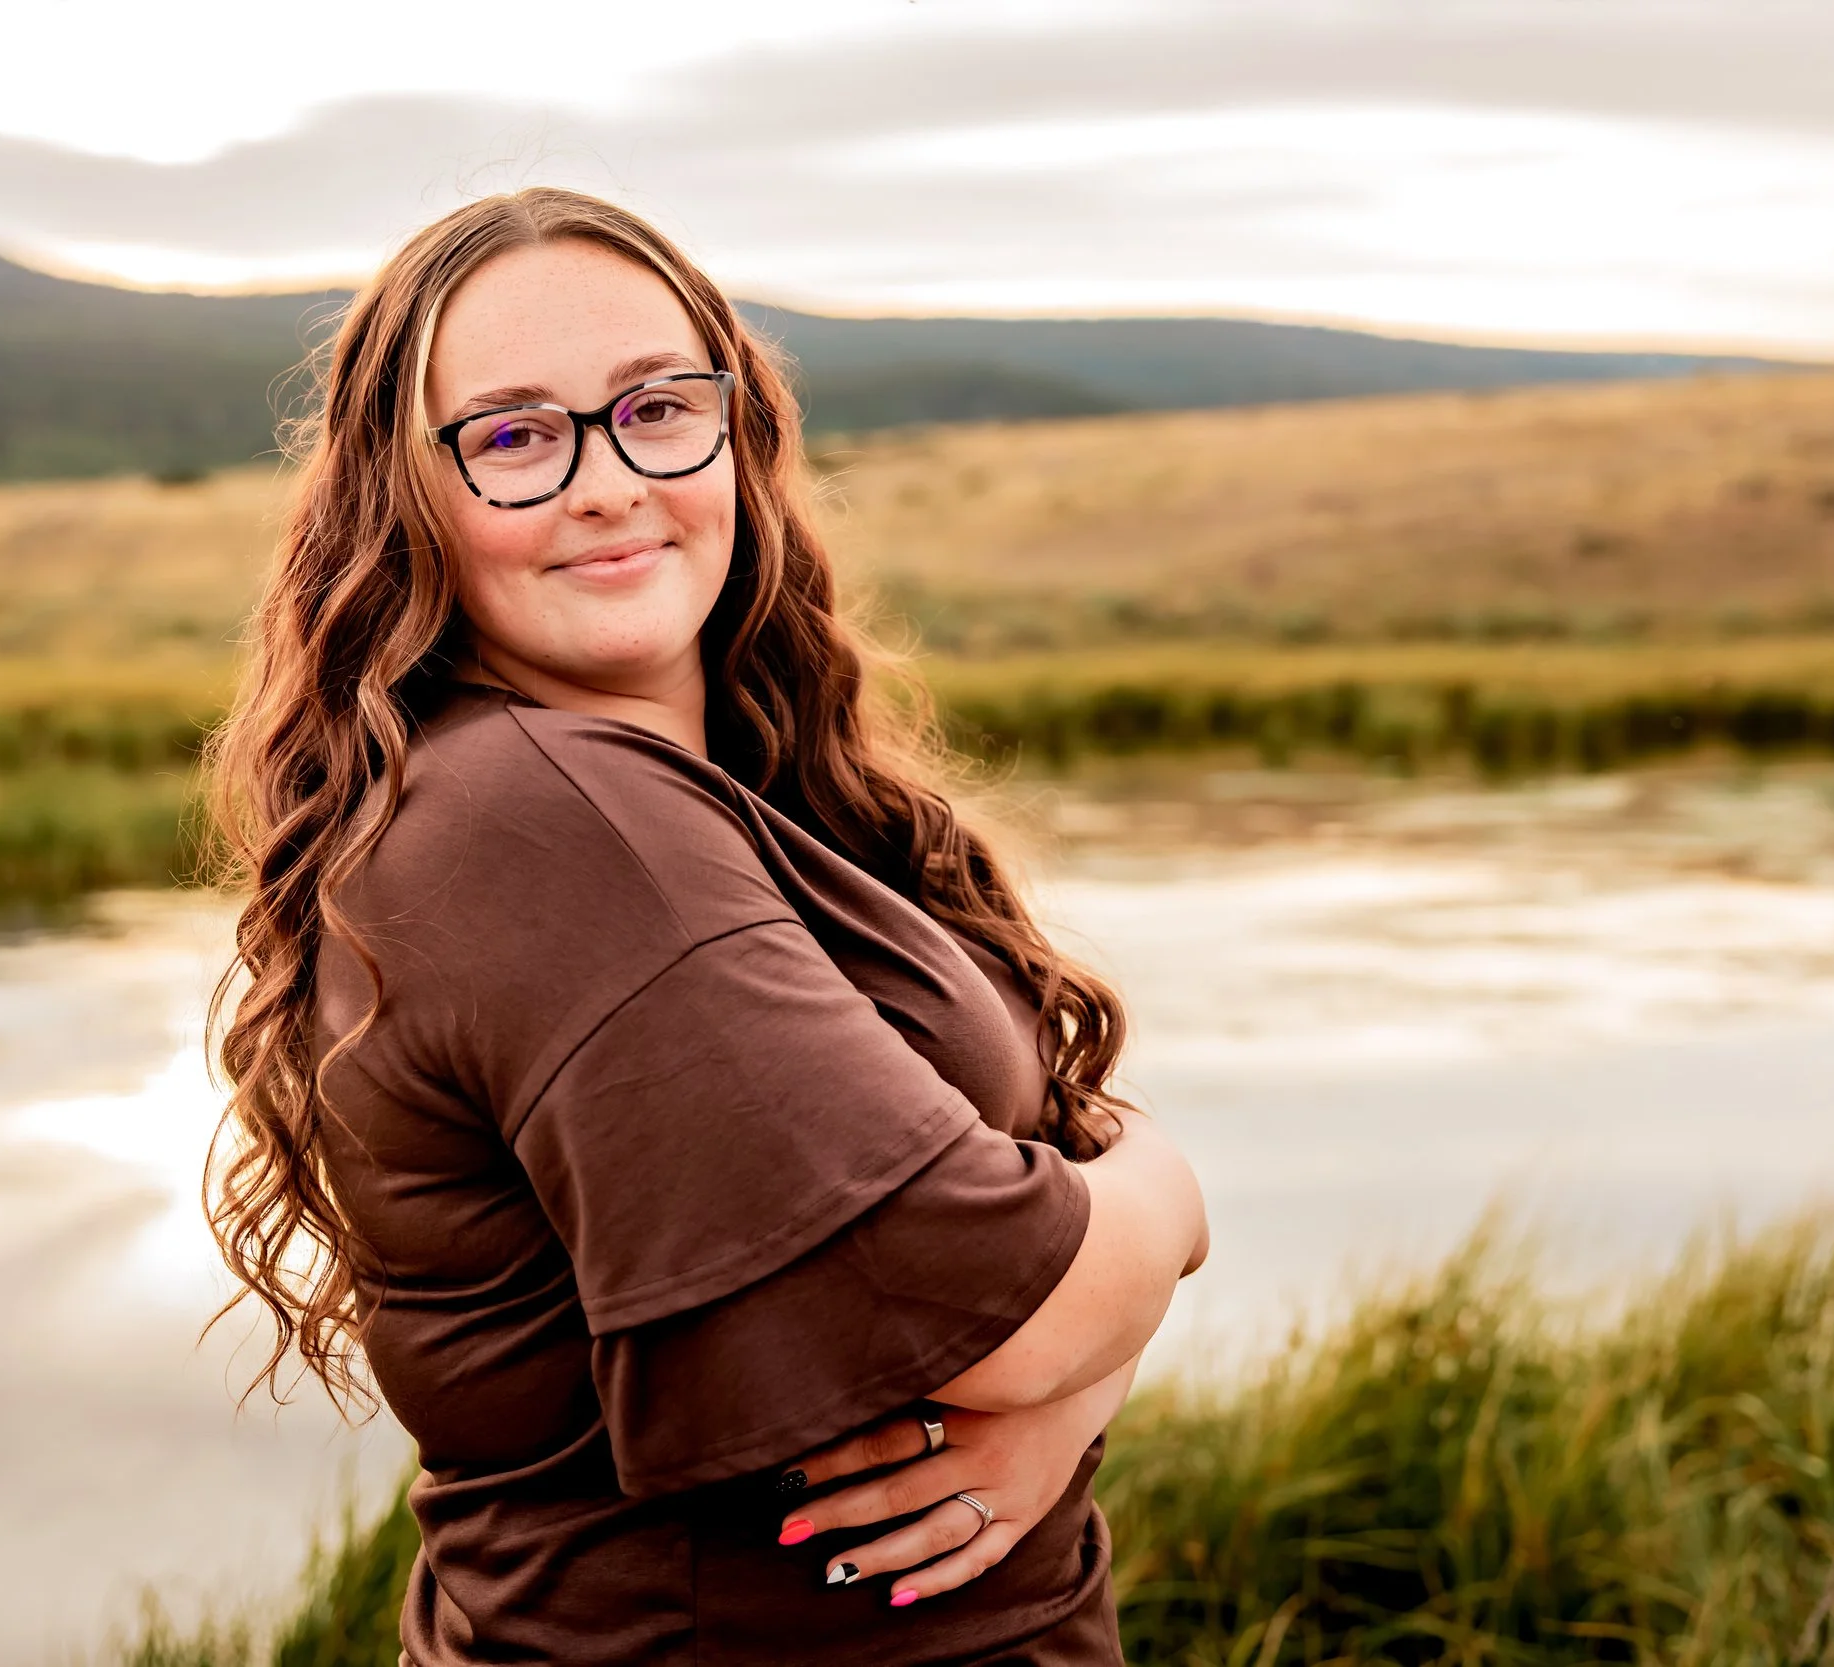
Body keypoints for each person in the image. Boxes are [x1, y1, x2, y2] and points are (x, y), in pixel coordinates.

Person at [203, 186, 1209, 1666]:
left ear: (734, 435)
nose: (607, 482)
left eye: (658, 407)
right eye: (516, 434)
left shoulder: (726, 791)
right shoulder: (554, 820)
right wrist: (1172, 1202)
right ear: (407, 495)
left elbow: (1016, 1252)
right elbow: (991, 1304)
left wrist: (1070, 1385)